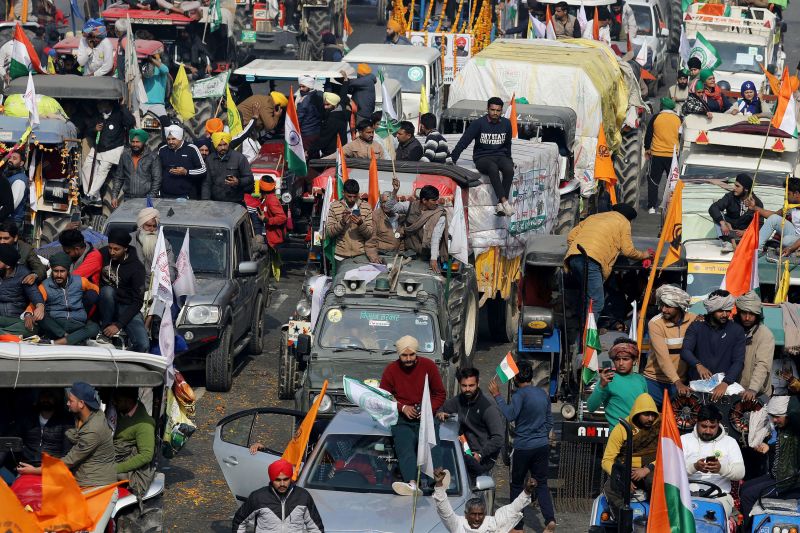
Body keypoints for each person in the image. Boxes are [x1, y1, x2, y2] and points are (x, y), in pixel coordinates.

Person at [488, 360, 555, 533]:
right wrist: (541, 435)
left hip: (523, 447)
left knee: (517, 485)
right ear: (531, 376)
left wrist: (497, 395)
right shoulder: (543, 395)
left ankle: (517, 526)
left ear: (516, 378)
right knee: (541, 484)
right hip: (541, 446)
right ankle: (550, 520)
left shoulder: (519, 395)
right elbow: (549, 421)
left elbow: (510, 415)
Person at [380, 335, 446, 496]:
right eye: (404, 355)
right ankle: (411, 483)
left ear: (416, 354)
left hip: (426, 416)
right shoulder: (391, 370)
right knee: (405, 448)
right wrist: (403, 408)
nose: (408, 359)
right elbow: (383, 397)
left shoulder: (428, 366)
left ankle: (437, 481)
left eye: (411, 355)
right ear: (399, 355)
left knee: (432, 446)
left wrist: (427, 409)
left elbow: (440, 393)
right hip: (402, 419)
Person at [18, 382, 117, 488]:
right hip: (85, 482)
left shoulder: (93, 430)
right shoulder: (81, 418)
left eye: (71, 401)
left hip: (97, 486)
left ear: (81, 404)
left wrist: (34, 471)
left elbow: (68, 461)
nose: (67, 404)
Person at [565, 204, 652, 322]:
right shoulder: (623, 222)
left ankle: (584, 328)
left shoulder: (594, 217)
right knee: (596, 302)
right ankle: (587, 338)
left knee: (586, 296)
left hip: (573, 258)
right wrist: (644, 254)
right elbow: (628, 250)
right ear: (629, 218)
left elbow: (570, 237)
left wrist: (578, 250)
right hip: (591, 261)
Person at [739, 396, 800, 522]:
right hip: (778, 476)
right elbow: (784, 447)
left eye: (777, 416)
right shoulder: (784, 428)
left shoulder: (796, 428)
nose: (774, 420)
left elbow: (795, 413)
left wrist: (791, 405)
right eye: (772, 416)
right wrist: (769, 447)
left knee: (748, 496)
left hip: (789, 483)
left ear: (788, 414)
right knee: (744, 487)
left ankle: (748, 529)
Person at [451, 97, 515, 217]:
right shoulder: (478, 124)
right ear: (487, 109)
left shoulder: (506, 123)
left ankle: (499, 205)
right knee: (492, 168)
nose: (495, 113)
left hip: (500, 155)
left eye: (498, 110)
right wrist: (453, 158)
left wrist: (509, 159)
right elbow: (464, 141)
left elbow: (508, 144)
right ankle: (505, 202)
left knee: (508, 169)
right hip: (482, 157)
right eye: (492, 110)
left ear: (501, 111)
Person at [436, 367, 504, 479]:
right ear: (459, 384)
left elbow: (498, 438)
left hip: (482, 460)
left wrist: (481, 454)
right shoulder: (459, 400)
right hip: (462, 454)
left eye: (471, 385)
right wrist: (440, 413)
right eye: (464, 386)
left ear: (478, 384)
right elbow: (442, 407)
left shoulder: (488, 407)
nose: (467, 389)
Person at [600, 393, 660, 517]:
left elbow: (669, 454)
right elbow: (607, 460)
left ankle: (658, 517)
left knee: (655, 482)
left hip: (651, 470)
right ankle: (622, 519)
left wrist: (648, 468)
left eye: (653, 414)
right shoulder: (621, 429)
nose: (650, 418)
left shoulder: (661, 427)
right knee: (610, 488)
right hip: (626, 471)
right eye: (646, 414)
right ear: (637, 414)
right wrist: (623, 477)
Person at [680, 290, 746, 402]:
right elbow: (685, 351)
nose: (725, 314)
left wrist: (725, 383)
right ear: (711, 309)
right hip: (698, 388)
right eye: (720, 310)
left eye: (727, 310)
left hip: (725, 390)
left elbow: (738, 361)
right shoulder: (696, 327)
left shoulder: (737, 330)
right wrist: (698, 365)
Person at [681, 404, 744, 517]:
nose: (708, 431)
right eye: (704, 426)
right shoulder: (684, 440)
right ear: (697, 422)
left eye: (712, 427)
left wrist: (721, 469)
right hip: (686, 495)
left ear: (718, 424)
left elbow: (740, 472)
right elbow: (672, 473)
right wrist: (694, 467)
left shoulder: (730, 442)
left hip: (720, 497)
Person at [232, 458, 324, 532]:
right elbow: (239, 521)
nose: (282, 484)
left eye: (286, 479)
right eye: (278, 480)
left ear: (291, 478)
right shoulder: (258, 497)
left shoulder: (303, 496)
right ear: (272, 480)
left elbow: (316, 528)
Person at [433, 467, 536, 533]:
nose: (477, 518)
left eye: (480, 514)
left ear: (485, 514)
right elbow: (444, 510)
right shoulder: (458, 525)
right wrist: (438, 485)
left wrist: (526, 492)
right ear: (466, 514)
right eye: (473, 514)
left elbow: (513, 509)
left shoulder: (492, 524)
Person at [642, 284, 696, 408]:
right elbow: (663, 358)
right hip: (654, 382)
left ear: (679, 307)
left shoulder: (693, 320)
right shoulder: (655, 324)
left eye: (668, 306)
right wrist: (677, 382)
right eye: (662, 305)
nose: (664, 310)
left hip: (681, 383)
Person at [35, 252, 100, 345]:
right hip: (55, 324)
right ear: (52, 271)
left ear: (68, 271)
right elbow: (35, 303)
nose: (59, 275)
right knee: (39, 314)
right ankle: (70, 338)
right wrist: (30, 313)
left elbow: (96, 290)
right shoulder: (45, 285)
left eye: (62, 271)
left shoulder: (80, 281)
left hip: (77, 323)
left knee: (94, 327)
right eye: (55, 271)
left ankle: (60, 341)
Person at [587, 338, 648, 428]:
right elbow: (591, 407)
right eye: (617, 359)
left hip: (639, 436)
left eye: (625, 359)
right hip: (617, 437)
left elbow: (646, 409)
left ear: (634, 360)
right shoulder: (607, 380)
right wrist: (601, 386)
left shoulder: (641, 380)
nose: (621, 363)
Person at [81, 100, 135, 202]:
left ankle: (90, 195)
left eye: (101, 103)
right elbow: (88, 130)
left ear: (108, 104)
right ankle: (95, 197)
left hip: (113, 148)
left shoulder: (118, 113)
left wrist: (123, 107)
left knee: (103, 170)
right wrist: (94, 129)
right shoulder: (98, 115)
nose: (98, 106)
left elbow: (131, 122)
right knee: (86, 167)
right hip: (98, 147)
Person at [111, 388, 156, 496]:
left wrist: (116, 469)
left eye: (118, 400)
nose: (114, 403)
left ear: (129, 401)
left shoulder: (145, 424)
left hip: (121, 463)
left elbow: (146, 455)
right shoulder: (119, 410)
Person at [10, 389, 72, 467]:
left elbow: (67, 452)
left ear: (56, 398)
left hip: (53, 467)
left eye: (50, 396)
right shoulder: (27, 419)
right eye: (43, 396)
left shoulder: (65, 422)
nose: (46, 399)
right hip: (28, 466)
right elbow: (9, 440)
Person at [394, 184, 447, 273]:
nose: (437, 202)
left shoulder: (439, 214)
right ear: (424, 200)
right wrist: (395, 191)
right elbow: (390, 207)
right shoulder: (410, 206)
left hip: (427, 257)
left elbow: (436, 237)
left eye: (437, 199)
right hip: (409, 255)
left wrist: (433, 259)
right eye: (434, 200)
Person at [324, 179, 378, 264]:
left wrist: (361, 224)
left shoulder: (366, 207)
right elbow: (330, 233)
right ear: (343, 193)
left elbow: (369, 234)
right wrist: (342, 222)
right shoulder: (334, 206)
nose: (352, 199)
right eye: (349, 196)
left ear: (358, 194)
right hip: (340, 256)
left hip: (360, 256)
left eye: (355, 196)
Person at [735, 291, 775, 402]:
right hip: (735, 390)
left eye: (751, 314)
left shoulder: (765, 334)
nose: (747, 318)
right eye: (744, 313)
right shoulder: (733, 330)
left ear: (757, 314)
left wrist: (753, 389)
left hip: (757, 393)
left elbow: (763, 364)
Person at [709, 173, 763, 253]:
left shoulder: (757, 203)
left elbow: (760, 224)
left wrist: (745, 232)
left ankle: (738, 244)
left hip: (745, 236)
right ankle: (728, 243)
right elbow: (713, 208)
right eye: (734, 185)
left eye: (737, 186)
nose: (734, 188)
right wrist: (722, 223)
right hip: (727, 232)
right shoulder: (730, 196)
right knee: (718, 216)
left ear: (746, 189)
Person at [644, 97, 681, 213]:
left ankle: (651, 207)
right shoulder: (678, 119)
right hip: (673, 156)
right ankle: (669, 207)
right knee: (672, 182)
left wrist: (647, 148)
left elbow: (649, 134)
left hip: (657, 154)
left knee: (654, 181)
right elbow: (681, 136)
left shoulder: (656, 118)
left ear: (662, 107)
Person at [0, 244, 44, 337]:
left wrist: (40, 306)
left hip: (16, 319)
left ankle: (4, 334)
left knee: (32, 328)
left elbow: (34, 293)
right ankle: (7, 335)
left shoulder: (23, 274)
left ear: (7, 265)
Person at [748, 177, 800, 255]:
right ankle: (755, 250)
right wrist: (754, 207)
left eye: (788, 194)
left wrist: (791, 248)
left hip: (796, 239)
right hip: (794, 234)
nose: (785, 197)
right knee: (774, 219)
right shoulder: (791, 206)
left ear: (796, 194)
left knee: (786, 240)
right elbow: (774, 216)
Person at [111, 129, 162, 208]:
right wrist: (114, 196)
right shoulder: (125, 156)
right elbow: (119, 177)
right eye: (133, 142)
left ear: (143, 142)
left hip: (146, 199)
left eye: (138, 142)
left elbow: (157, 179)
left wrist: (151, 198)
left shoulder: (152, 157)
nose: (135, 144)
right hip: (128, 199)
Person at [201, 132, 254, 204]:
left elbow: (249, 178)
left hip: (235, 203)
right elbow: (206, 183)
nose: (223, 147)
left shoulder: (239, 158)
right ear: (215, 145)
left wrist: (238, 181)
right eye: (219, 145)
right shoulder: (210, 159)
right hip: (216, 203)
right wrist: (205, 201)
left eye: (225, 144)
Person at [158, 125, 207, 200]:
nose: (170, 142)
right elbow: (157, 171)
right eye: (168, 139)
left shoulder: (192, 149)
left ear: (180, 138)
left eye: (174, 139)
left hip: (185, 195)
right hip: (165, 195)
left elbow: (203, 170)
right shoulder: (162, 150)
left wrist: (186, 172)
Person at [129, 207, 176, 281]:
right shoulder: (129, 240)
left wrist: (166, 281)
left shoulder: (163, 243)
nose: (152, 229)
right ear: (141, 225)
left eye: (154, 226)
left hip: (157, 287)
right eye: (148, 226)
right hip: (133, 287)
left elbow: (170, 267)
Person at [0, 220, 46, 284]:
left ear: (15, 238)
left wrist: (34, 275)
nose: (2, 242)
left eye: (6, 238)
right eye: (0, 238)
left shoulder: (26, 249)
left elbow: (40, 269)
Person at [312, 92, 349, 158]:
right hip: (338, 152)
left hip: (332, 154)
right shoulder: (340, 114)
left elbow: (324, 138)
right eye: (324, 104)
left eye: (328, 104)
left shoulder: (333, 119)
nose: (325, 107)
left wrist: (310, 151)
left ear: (334, 105)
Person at [259, 176, 287, 253]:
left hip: (274, 241)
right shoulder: (266, 199)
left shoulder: (271, 200)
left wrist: (266, 220)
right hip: (271, 240)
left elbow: (282, 218)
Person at [296, 75, 325, 148]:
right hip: (317, 131)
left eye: (303, 86)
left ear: (309, 86)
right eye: (300, 87)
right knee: (314, 154)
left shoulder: (304, 100)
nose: (301, 89)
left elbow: (298, 118)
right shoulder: (320, 94)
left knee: (306, 155)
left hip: (306, 133)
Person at [3, 151, 27, 226]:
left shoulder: (19, 180)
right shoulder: (8, 174)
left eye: (14, 158)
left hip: (11, 221)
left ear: (21, 163)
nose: (10, 160)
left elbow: (13, 203)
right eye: (9, 157)